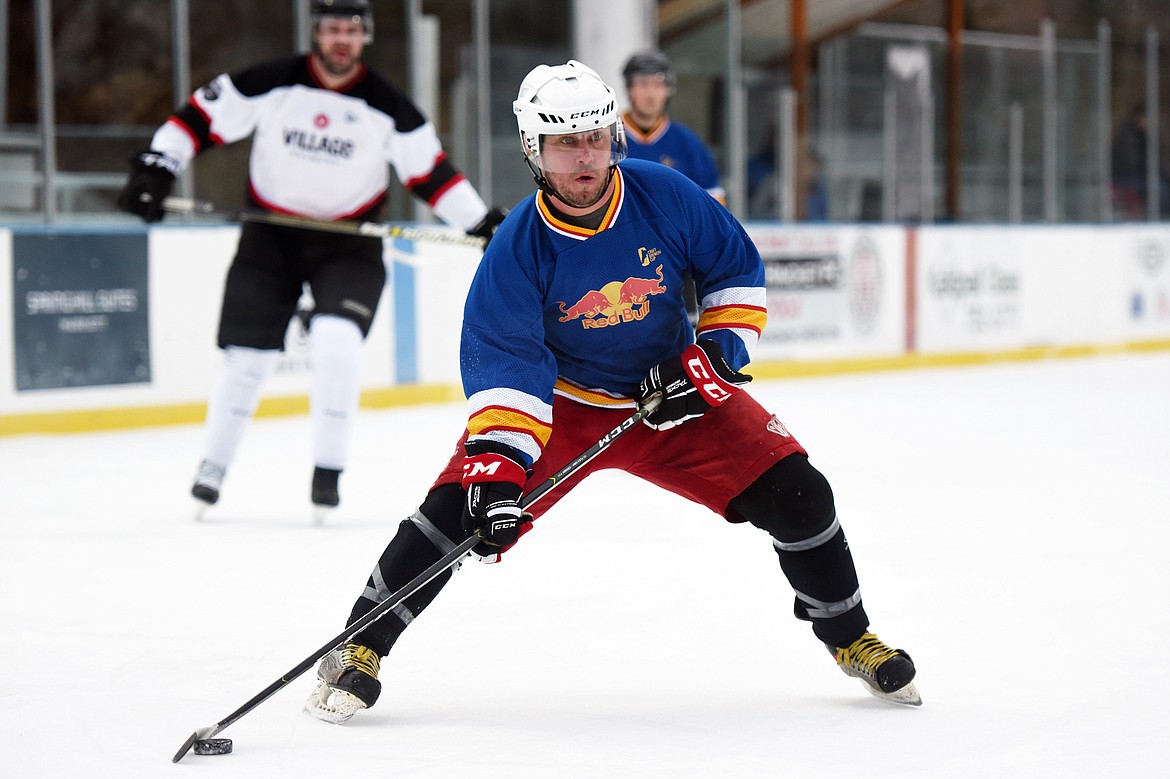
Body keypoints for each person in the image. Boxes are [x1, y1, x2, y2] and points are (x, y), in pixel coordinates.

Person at [303, 60, 919, 725]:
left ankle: (851, 636)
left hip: (671, 396)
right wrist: (503, 468)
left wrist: (712, 357)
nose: (585, 156)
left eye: (595, 137)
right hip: (563, 406)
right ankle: (355, 648)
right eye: (565, 143)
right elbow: (509, 361)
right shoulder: (516, 248)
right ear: (533, 150)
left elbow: (735, 271)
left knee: (802, 493)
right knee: (461, 511)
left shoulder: (665, 194)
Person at [116, 0, 506, 518]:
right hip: (270, 236)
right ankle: (211, 469)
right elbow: (199, 118)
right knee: (246, 359)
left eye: (351, 30)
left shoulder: (389, 106)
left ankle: (328, 473)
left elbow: (432, 174)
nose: (341, 39)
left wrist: (480, 223)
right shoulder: (273, 82)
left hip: (348, 241)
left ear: (364, 36)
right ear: (315, 33)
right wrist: (158, 166)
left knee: (336, 344)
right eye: (331, 29)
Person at [620, 49, 724, 204]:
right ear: (629, 89)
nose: (650, 93)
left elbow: (713, 198)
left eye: (658, 85)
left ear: (668, 90)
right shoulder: (607, 137)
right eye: (643, 84)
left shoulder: (688, 143)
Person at [1111, 102, 1169, 219]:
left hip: (1140, 176)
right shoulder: (1128, 136)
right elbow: (1132, 164)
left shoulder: (1146, 135)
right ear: (1139, 117)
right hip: (1125, 178)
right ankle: (1161, 219)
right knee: (1159, 188)